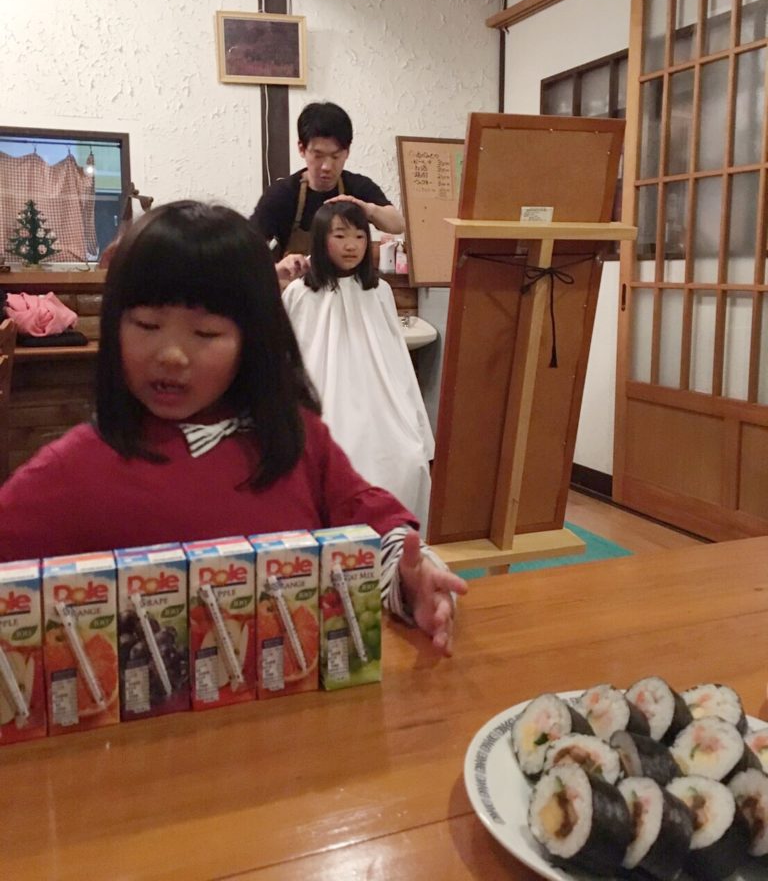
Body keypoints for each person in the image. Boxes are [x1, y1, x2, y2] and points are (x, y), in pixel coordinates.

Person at [0, 201, 465, 654]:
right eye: (146, 325)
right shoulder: (76, 466)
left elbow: (370, 517)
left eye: (205, 333)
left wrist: (412, 581)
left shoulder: (295, 440)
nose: (171, 355)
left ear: (254, 340)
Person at [283, 200, 434, 530]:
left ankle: (394, 543)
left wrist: (411, 411)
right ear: (321, 239)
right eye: (340, 236)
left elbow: (395, 356)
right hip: (321, 399)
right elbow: (288, 358)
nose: (351, 245)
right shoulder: (300, 293)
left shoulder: (378, 291)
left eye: (359, 236)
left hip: (378, 398)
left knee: (407, 459)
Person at [252, 102, 405, 285]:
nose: (327, 166)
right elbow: (247, 250)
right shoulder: (282, 194)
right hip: (297, 291)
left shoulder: (358, 187)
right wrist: (277, 269)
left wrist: (369, 210)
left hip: (347, 291)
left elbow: (398, 225)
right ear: (301, 149)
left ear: (347, 152)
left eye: (335, 156)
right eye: (318, 155)